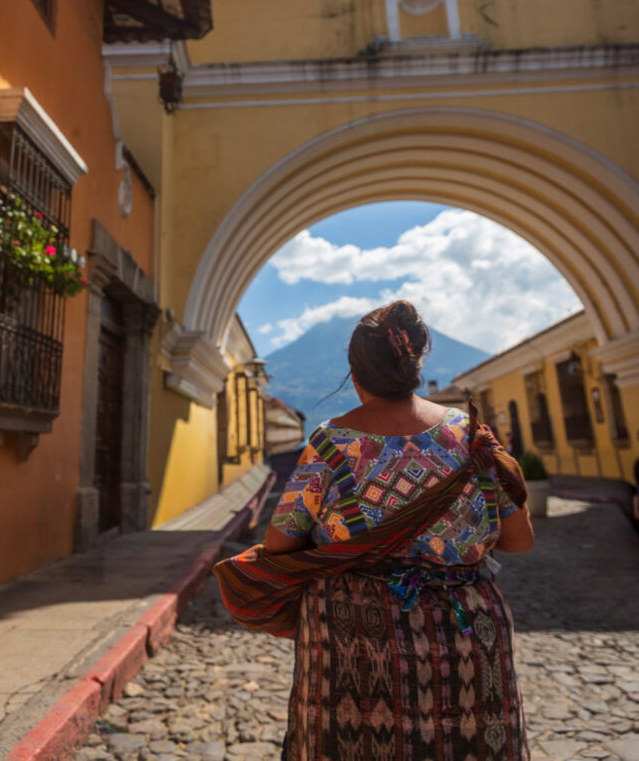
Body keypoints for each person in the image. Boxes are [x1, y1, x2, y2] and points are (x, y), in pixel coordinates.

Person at [215, 300, 534, 761]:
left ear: (355, 371)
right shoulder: (472, 436)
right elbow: (520, 539)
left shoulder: (329, 444)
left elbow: (279, 543)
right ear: (417, 364)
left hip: (355, 641)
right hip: (467, 635)